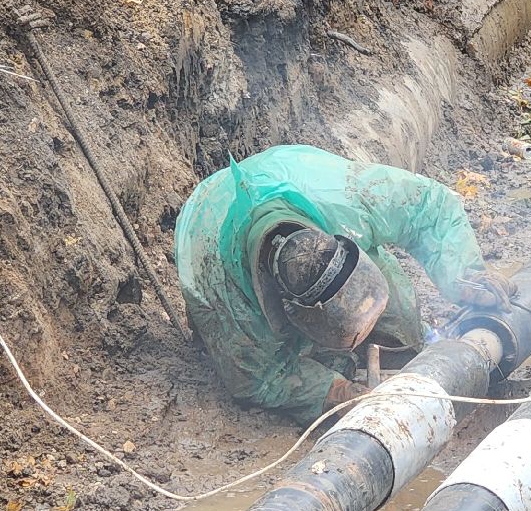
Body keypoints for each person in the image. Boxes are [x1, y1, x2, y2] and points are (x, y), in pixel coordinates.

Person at [174, 145, 511, 424]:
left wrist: (463, 276)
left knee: (403, 327)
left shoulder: (347, 199)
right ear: (293, 311)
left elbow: (430, 207)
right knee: (320, 367)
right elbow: (257, 379)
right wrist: (335, 393)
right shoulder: (225, 300)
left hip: (289, 177)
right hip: (211, 229)